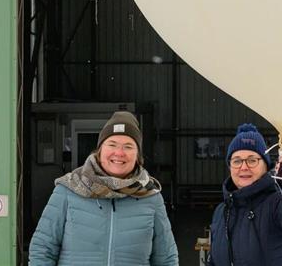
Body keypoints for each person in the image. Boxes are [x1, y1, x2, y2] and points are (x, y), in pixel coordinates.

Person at [29, 111, 179, 265]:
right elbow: (42, 249)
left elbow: (166, 258)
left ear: (138, 156)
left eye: (128, 146)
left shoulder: (150, 196)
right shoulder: (69, 189)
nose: (119, 153)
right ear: (100, 151)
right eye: (112, 144)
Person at [208, 123, 282, 265]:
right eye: (237, 161)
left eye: (252, 160)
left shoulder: (277, 203)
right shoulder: (221, 211)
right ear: (230, 166)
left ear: (266, 165)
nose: (243, 167)